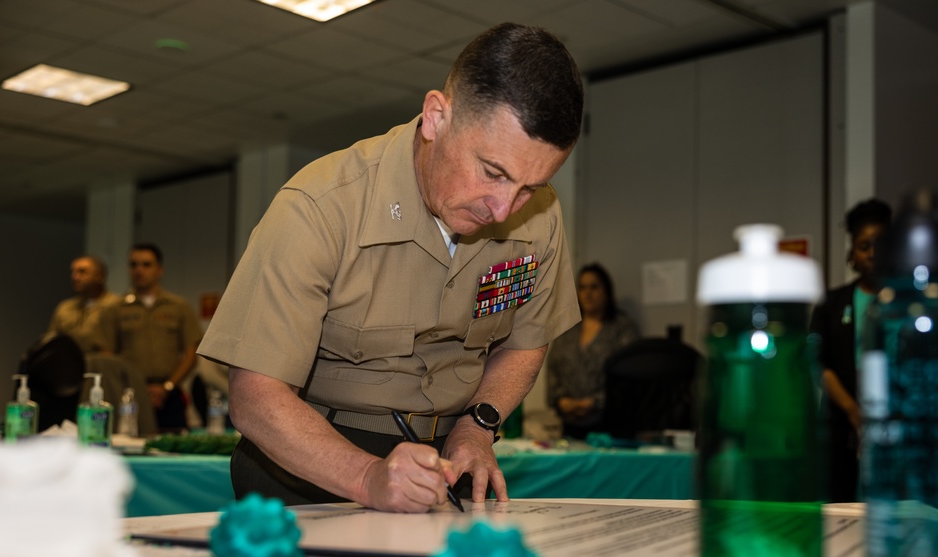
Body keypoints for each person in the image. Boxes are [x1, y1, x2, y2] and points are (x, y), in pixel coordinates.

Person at [198, 23, 584, 513]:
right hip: (311, 465)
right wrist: (365, 477)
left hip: (450, 462)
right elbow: (255, 397)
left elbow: (526, 344)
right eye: (493, 172)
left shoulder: (541, 216)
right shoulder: (320, 206)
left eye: (529, 186)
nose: (505, 208)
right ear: (435, 117)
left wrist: (477, 426)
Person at [810, 198, 892, 502]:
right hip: (839, 423)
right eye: (864, 246)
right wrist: (852, 409)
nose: (873, 254)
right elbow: (819, 361)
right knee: (837, 506)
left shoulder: (906, 304)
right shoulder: (831, 303)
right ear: (852, 255)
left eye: (881, 245)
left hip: (893, 423)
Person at [97, 243, 203, 431]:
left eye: (146, 265)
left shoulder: (179, 307)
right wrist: (133, 388)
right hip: (130, 394)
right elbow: (107, 356)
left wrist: (167, 387)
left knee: (174, 450)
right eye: (134, 265)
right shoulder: (116, 309)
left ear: (159, 269)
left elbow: (191, 353)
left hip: (169, 393)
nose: (139, 270)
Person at [546, 263, 639, 439]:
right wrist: (562, 401)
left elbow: (629, 378)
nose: (587, 293)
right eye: (583, 287)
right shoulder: (568, 329)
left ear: (607, 291)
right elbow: (553, 370)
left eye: (594, 287)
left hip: (610, 425)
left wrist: (594, 402)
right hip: (569, 426)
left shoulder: (622, 328)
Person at [47, 256, 122, 353]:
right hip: (70, 365)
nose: (75, 277)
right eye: (73, 272)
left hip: (102, 365)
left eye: (82, 272)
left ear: (99, 276)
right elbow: (51, 343)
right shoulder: (64, 308)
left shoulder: (117, 305)